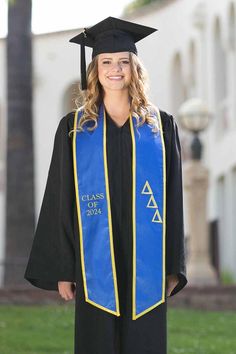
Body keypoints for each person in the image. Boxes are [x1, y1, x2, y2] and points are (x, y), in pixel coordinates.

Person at [24, 16, 187, 354]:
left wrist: (173, 264)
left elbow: (172, 199)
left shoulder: (160, 127)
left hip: (147, 259)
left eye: (124, 62)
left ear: (135, 68)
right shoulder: (75, 129)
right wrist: (64, 268)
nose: (116, 69)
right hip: (93, 258)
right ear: (95, 69)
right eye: (107, 62)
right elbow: (61, 198)